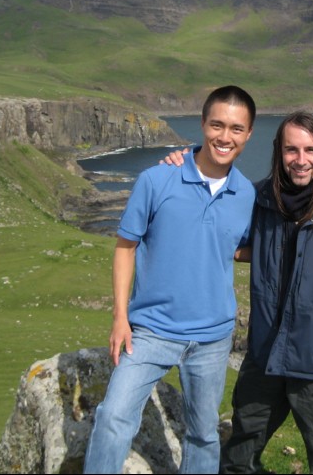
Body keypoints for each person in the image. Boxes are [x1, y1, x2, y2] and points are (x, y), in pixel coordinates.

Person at [166, 111, 313, 473]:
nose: (301, 160)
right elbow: (212, 221)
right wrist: (184, 163)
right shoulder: (258, 199)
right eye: (292, 150)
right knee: (240, 452)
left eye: (310, 150)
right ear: (279, 152)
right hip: (265, 355)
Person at [83, 85, 257, 474]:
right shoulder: (156, 180)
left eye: (235, 129)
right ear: (202, 124)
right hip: (151, 331)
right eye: (216, 125)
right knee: (113, 417)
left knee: (204, 434)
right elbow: (125, 246)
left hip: (213, 337)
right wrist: (119, 317)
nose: (224, 137)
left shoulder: (246, 193)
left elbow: (235, 246)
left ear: (248, 135)